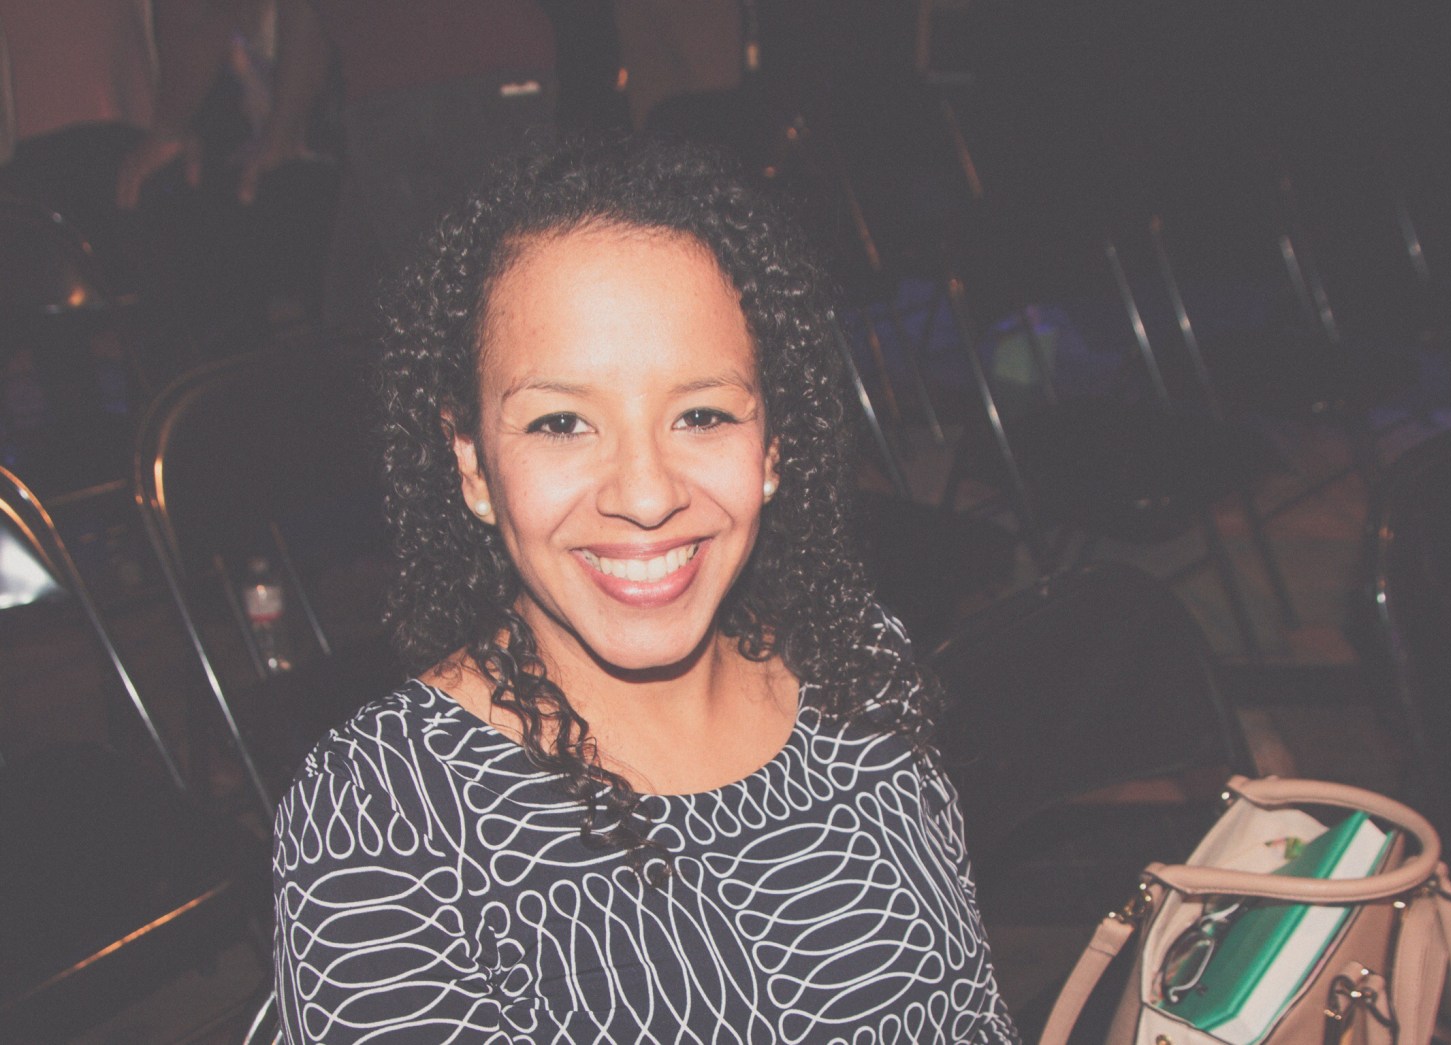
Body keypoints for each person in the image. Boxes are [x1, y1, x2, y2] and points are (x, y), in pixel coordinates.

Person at [272, 136, 1018, 1042]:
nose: (646, 493)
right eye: (561, 423)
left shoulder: (854, 667)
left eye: (701, 414)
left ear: (773, 446)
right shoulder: (386, 814)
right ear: (471, 463)